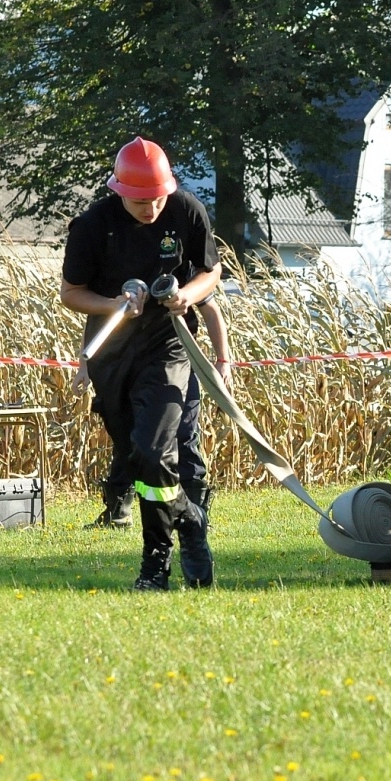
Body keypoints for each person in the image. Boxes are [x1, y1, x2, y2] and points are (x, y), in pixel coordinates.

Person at [61, 137, 222, 590]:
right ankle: (189, 519)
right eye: (139, 201)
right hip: (112, 352)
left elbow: (212, 272)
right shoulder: (93, 225)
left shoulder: (186, 210)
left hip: (168, 345)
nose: (150, 208)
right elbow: (71, 293)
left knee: (156, 450)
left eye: (156, 199)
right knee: (139, 459)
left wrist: (185, 297)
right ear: (118, 191)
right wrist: (114, 302)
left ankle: (155, 563)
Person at [79, 296, 232, 553]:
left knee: (184, 436)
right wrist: (84, 365)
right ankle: (118, 510)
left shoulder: (182, 270)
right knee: (131, 439)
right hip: (132, 368)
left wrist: (223, 361)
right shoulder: (119, 280)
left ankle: (197, 513)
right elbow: (96, 321)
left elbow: (210, 307)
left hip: (179, 365)